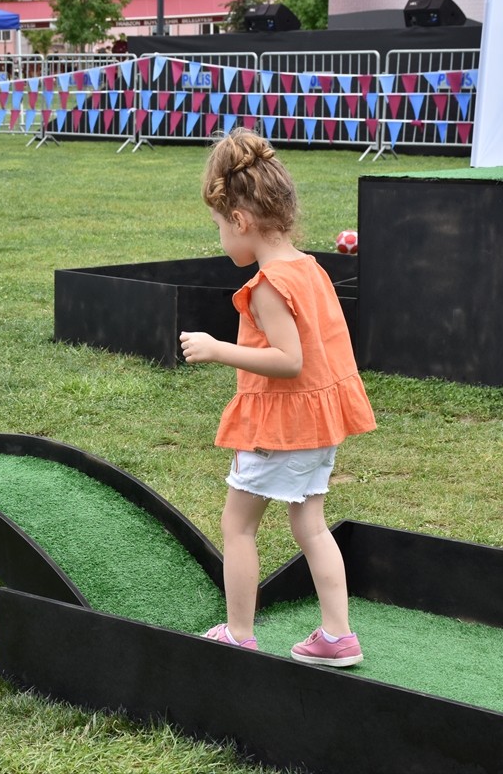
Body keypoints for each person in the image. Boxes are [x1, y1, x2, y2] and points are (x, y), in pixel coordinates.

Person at [180, 128, 376, 667]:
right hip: (319, 424)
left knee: (238, 525)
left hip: (282, 428)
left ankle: (238, 633)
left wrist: (218, 349)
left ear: (240, 220)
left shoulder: (268, 284)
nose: (221, 238)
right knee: (309, 524)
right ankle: (337, 635)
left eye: (219, 227)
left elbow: (290, 360)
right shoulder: (309, 267)